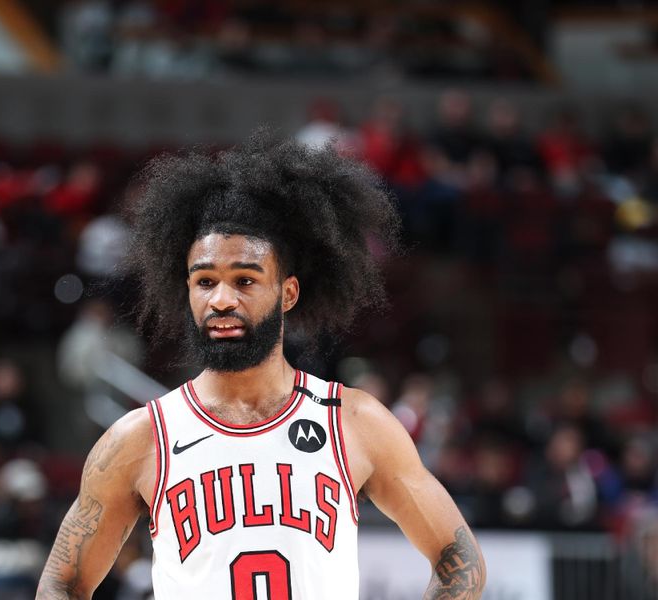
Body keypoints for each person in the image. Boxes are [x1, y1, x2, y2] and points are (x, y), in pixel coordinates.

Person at [36, 132, 486, 599]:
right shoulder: (141, 438)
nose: (222, 299)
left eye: (245, 280)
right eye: (205, 281)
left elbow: (459, 561)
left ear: (287, 293)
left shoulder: (353, 422)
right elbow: (61, 583)